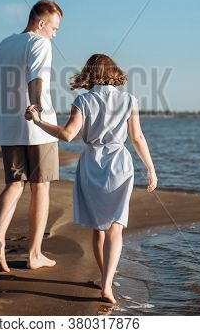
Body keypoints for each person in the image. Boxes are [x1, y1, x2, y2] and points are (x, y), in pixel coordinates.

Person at [25, 53, 158, 304]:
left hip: (92, 164)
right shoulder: (129, 100)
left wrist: (39, 121)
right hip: (120, 164)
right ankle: (107, 284)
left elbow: (66, 135)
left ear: (89, 74)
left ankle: (102, 276)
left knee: (99, 228)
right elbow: (138, 138)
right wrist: (150, 168)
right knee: (116, 226)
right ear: (113, 73)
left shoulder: (83, 100)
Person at [0, 0, 63, 272]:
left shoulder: (4, 44)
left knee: (14, 184)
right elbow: (36, 78)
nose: (55, 34)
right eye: (54, 28)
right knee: (40, 187)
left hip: (7, 125)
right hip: (36, 127)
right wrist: (36, 109)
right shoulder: (41, 43)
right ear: (41, 23)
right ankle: (34, 254)